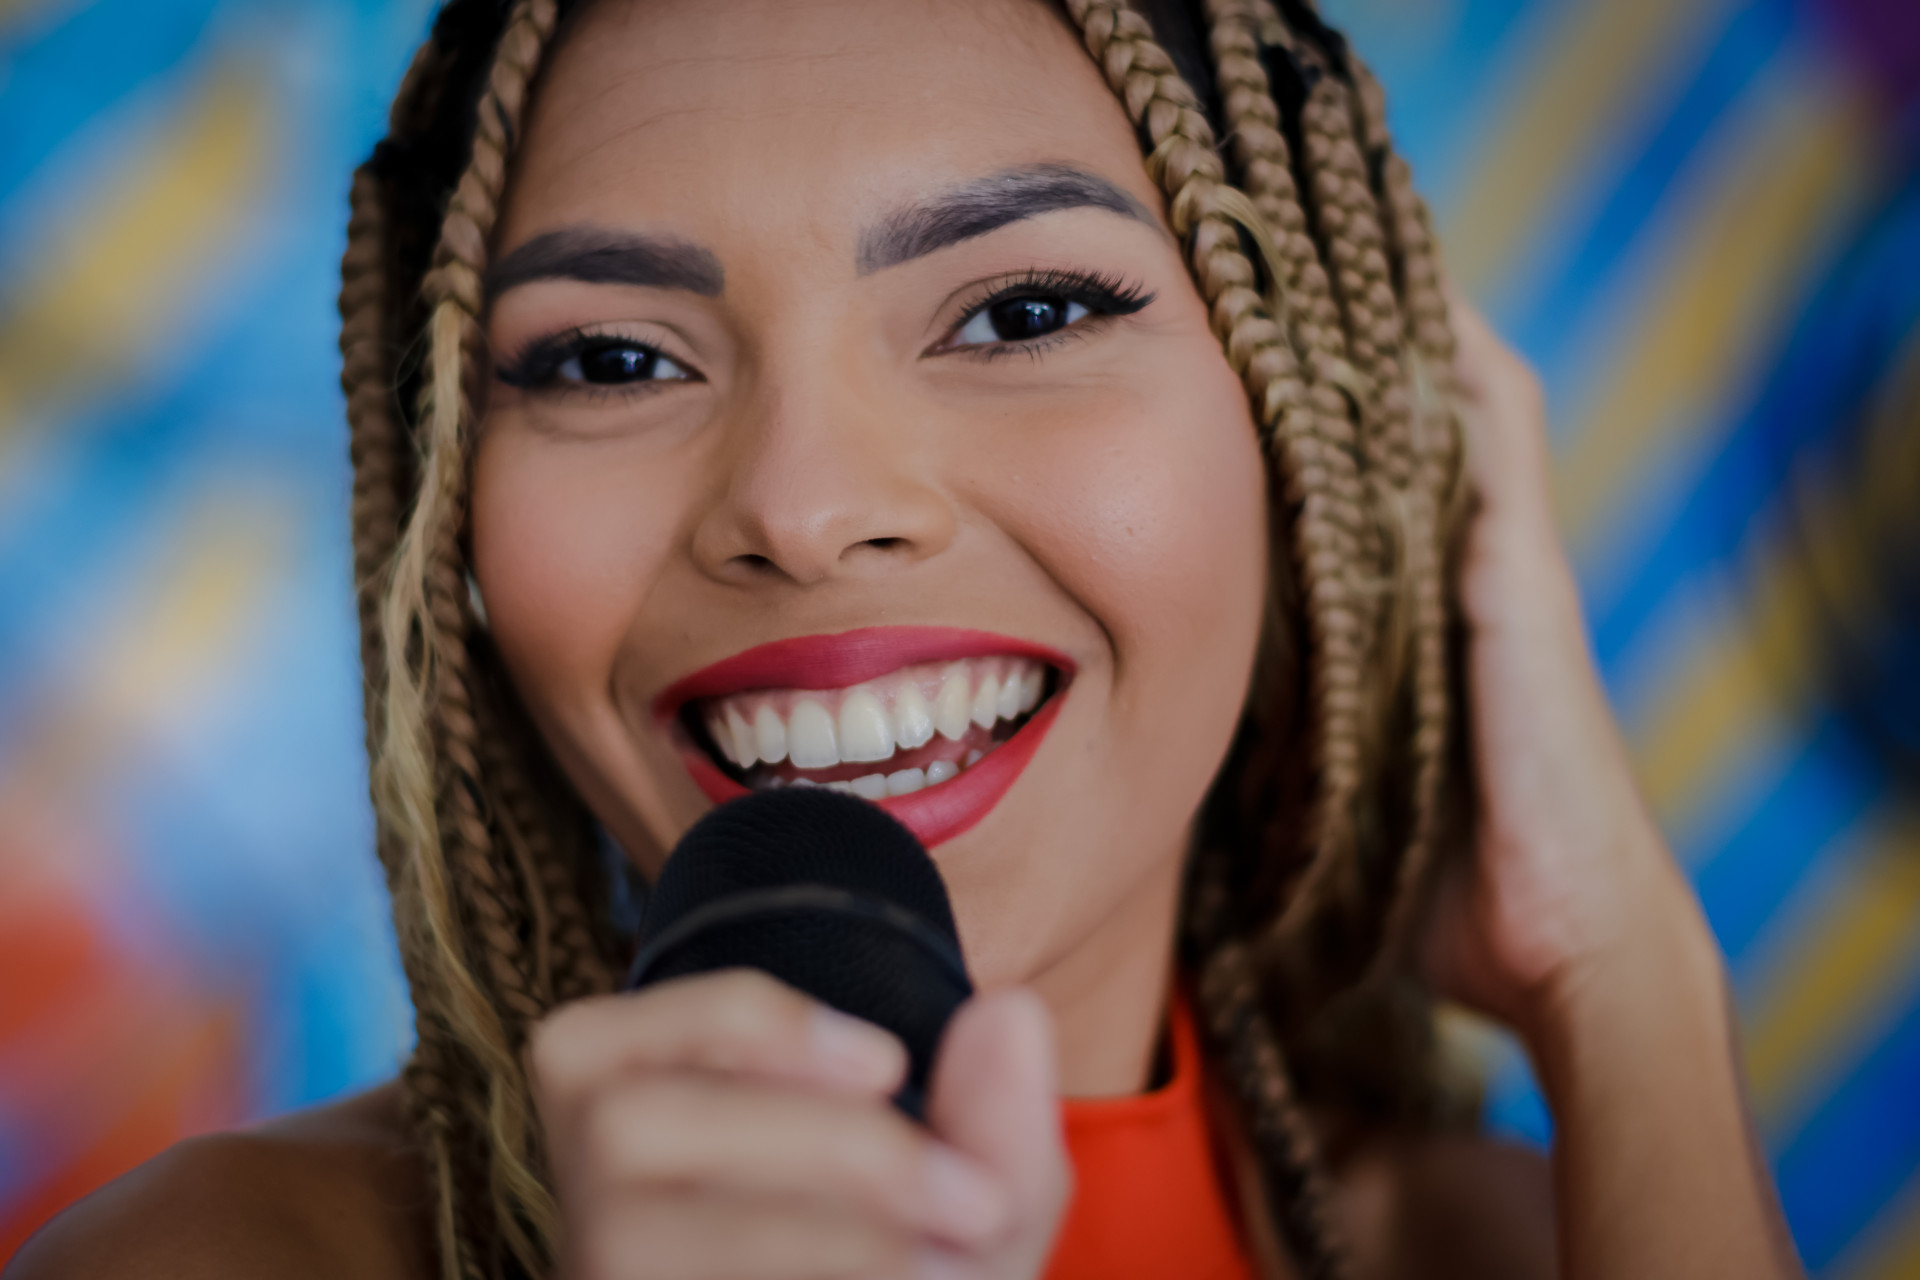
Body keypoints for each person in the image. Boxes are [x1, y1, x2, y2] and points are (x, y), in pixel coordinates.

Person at [5, 0, 1803, 1277]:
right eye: (611, 358)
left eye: (1022, 311)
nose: (800, 502)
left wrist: (1621, 967)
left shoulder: (1529, 1246)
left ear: (1307, 434)